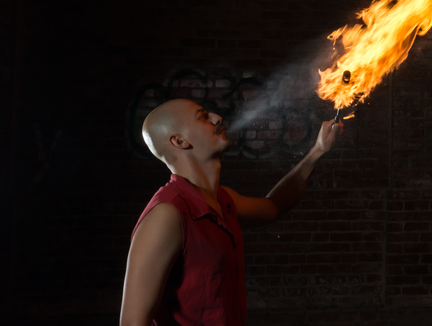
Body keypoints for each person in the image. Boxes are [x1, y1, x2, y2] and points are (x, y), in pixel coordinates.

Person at [120, 98, 341, 326]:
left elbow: (274, 206)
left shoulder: (224, 200)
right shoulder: (167, 214)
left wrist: (317, 151)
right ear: (179, 140)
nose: (217, 118)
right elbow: (132, 322)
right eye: (203, 117)